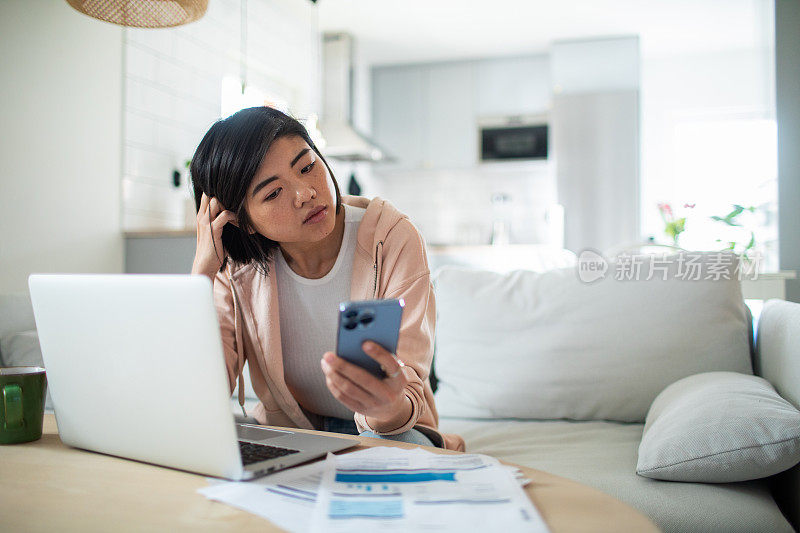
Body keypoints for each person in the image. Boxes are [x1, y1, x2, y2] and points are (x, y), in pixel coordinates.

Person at [189, 106, 464, 451]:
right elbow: (203, 390)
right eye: (273, 193)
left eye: (307, 167)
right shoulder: (237, 270)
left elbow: (408, 383)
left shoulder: (391, 238)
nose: (305, 193)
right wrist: (202, 274)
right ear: (240, 221)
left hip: (390, 429)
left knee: (390, 450)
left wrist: (386, 406)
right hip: (295, 431)